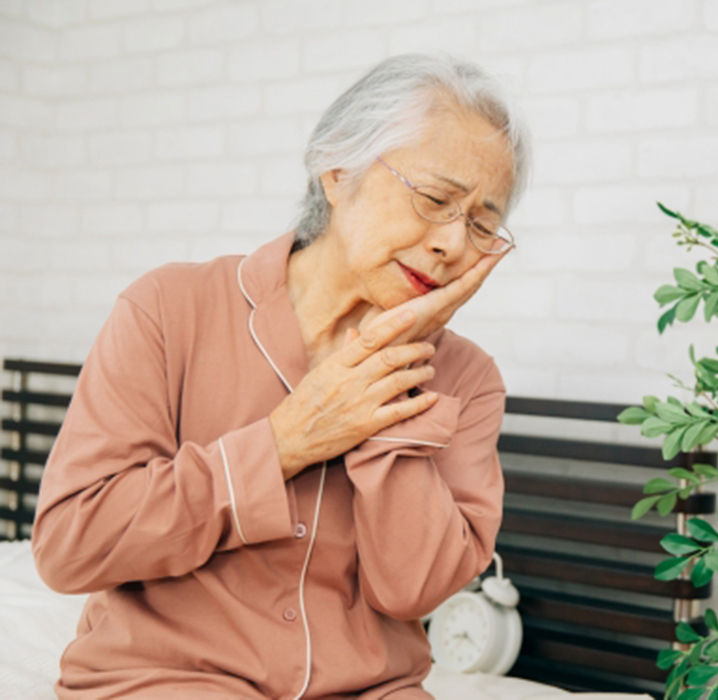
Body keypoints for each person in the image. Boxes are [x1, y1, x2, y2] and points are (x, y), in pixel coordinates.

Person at [30, 53, 529, 699]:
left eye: (483, 224)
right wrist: (282, 445)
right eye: (435, 199)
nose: (454, 245)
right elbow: (72, 543)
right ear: (337, 167)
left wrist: (391, 373)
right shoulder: (167, 308)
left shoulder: (469, 380)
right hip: (167, 681)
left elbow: (415, 589)